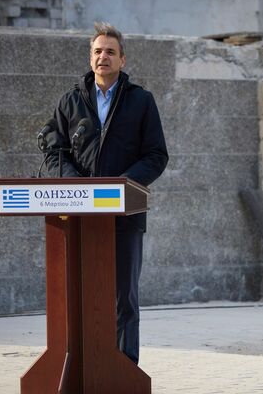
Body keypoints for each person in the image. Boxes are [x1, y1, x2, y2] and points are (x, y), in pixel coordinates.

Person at [42, 21, 169, 364]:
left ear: (122, 60)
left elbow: (157, 155)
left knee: (122, 298)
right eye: (97, 51)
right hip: (80, 214)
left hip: (125, 215)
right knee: (80, 294)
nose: (103, 57)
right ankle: (83, 363)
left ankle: (124, 368)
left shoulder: (141, 101)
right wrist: (76, 187)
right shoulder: (69, 102)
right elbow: (54, 152)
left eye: (110, 52)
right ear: (90, 57)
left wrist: (121, 187)